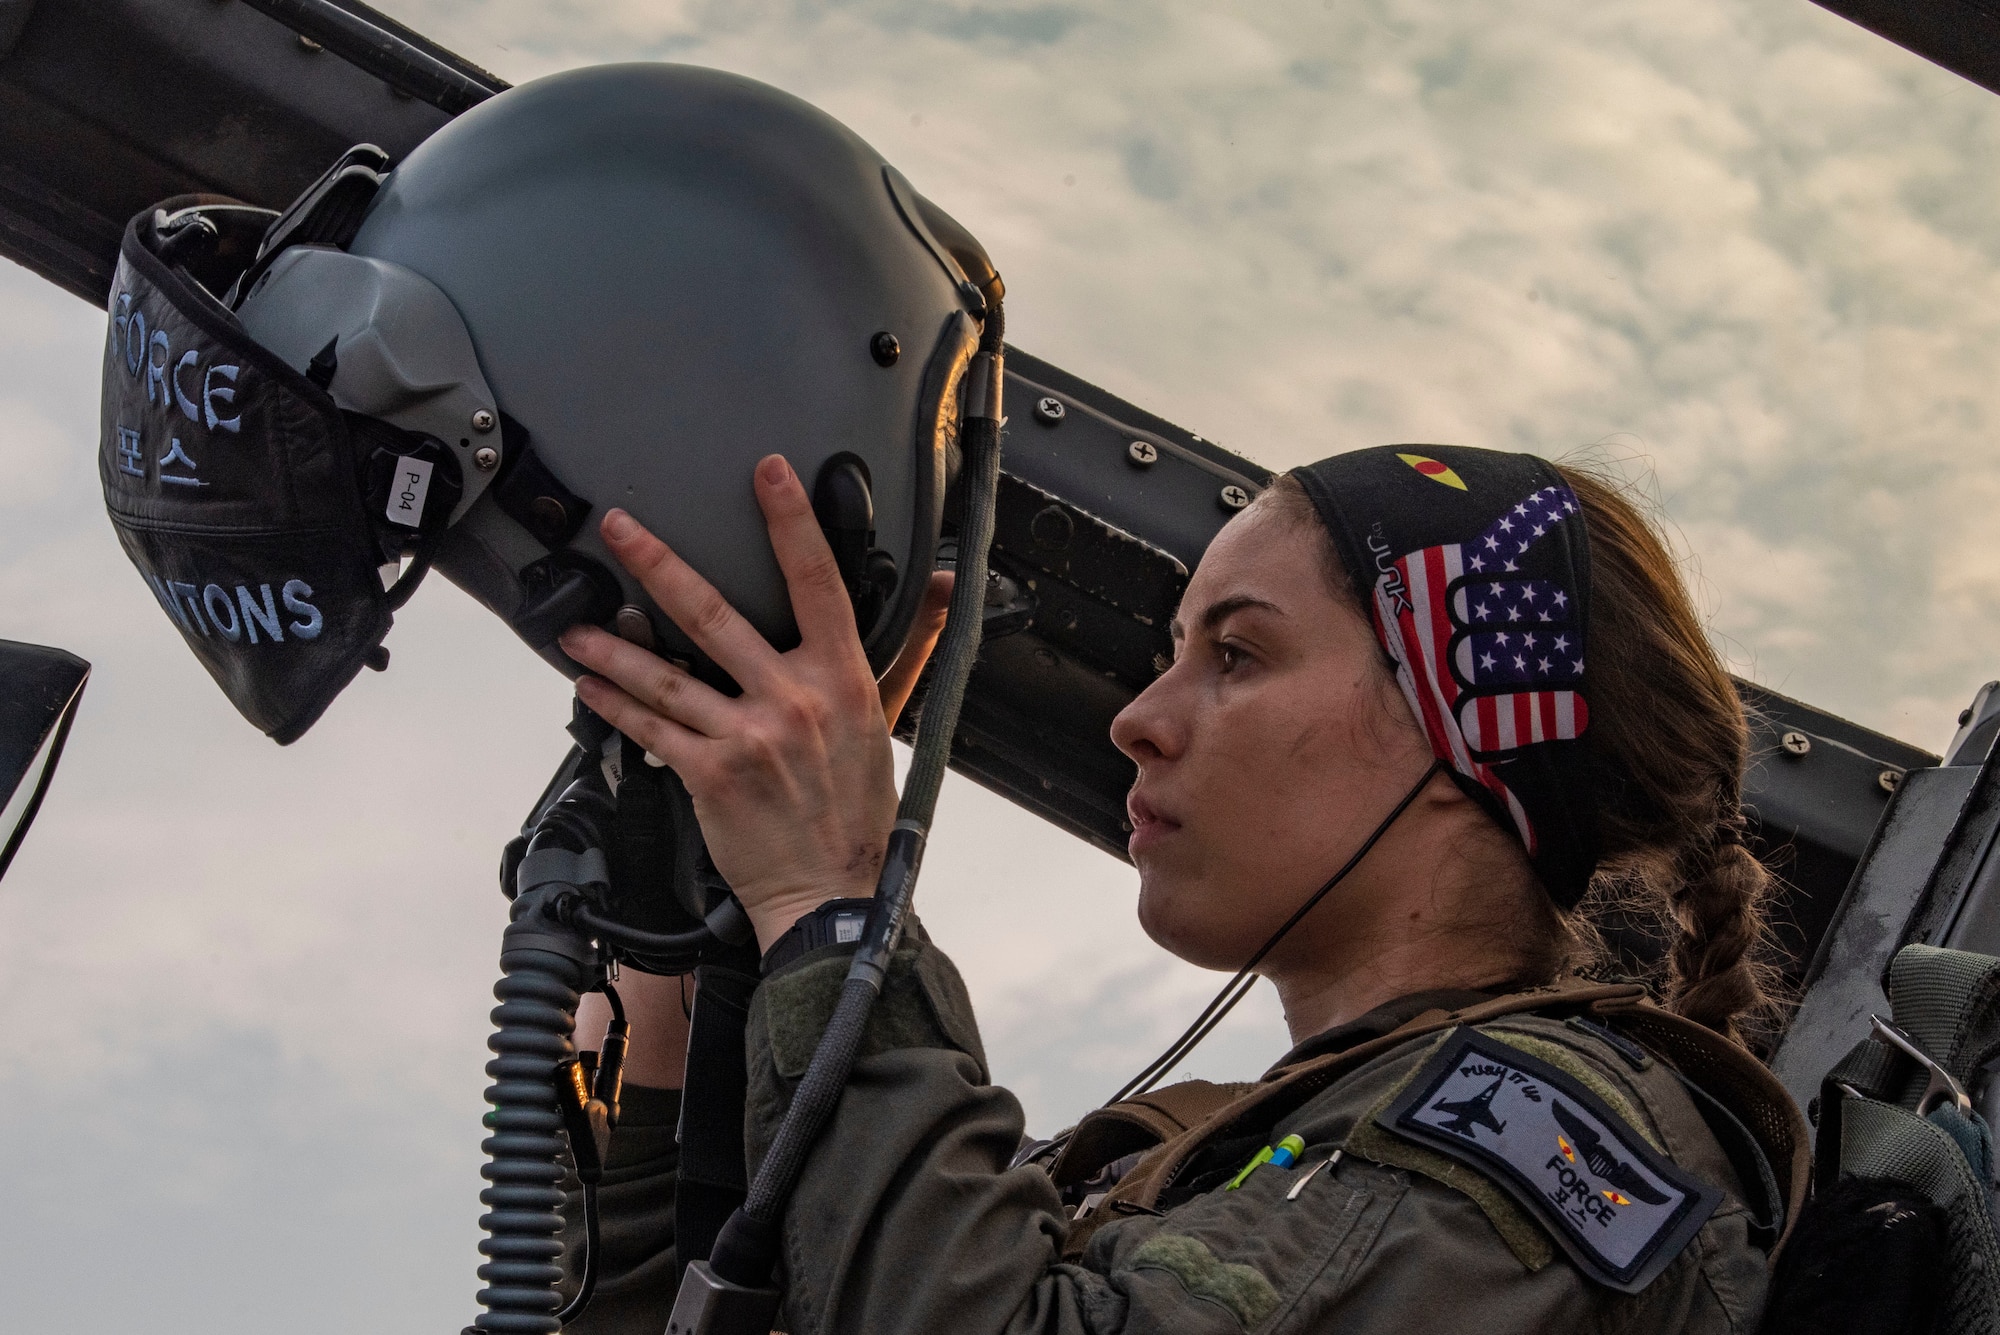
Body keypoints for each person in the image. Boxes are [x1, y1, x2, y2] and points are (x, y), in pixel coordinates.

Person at [555, 443, 1810, 1334]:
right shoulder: (1241, 1162)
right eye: (1173, 654)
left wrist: (831, 903)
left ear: (1461, 740)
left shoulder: (1545, 1140)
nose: (1139, 722)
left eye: (1238, 654)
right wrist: (701, 950)